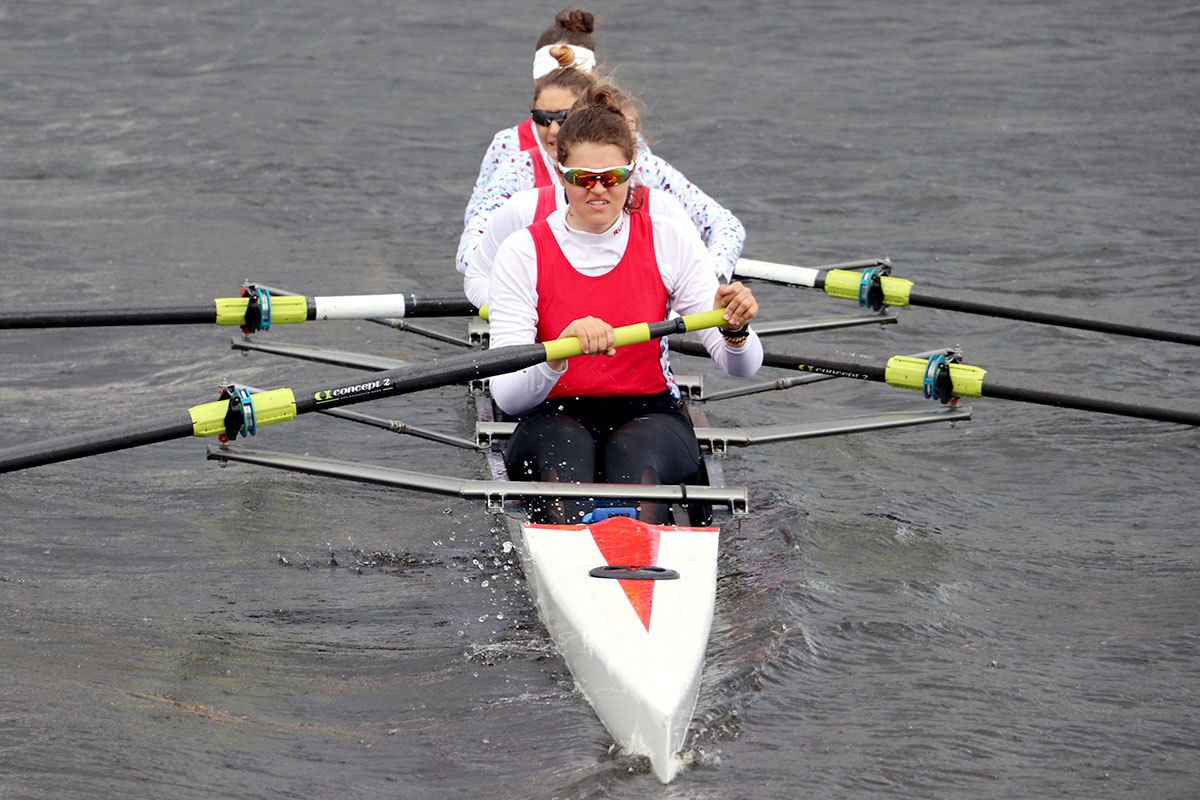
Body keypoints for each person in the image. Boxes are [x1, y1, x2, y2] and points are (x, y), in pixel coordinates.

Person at [487, 85, 763, 525]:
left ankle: (640, 566)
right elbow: (507, 394)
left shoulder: (669, 239)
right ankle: (583, 555)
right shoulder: (523, 251)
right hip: (551, 412)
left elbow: (743, 367)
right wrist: (559, 353)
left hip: (648, 411)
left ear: (632, 173)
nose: (598, 190)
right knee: (564, 466)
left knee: (636, 465)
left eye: (612, 177)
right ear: (561, 175)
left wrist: (735, 331)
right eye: (583, 179)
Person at [457, 8, 745, 295]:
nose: (555, 131)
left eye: (566, 116)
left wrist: (708, 280)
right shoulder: (513, 155)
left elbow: (723, 224)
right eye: (543, 117)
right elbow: (471, 255)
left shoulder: (632, 153)